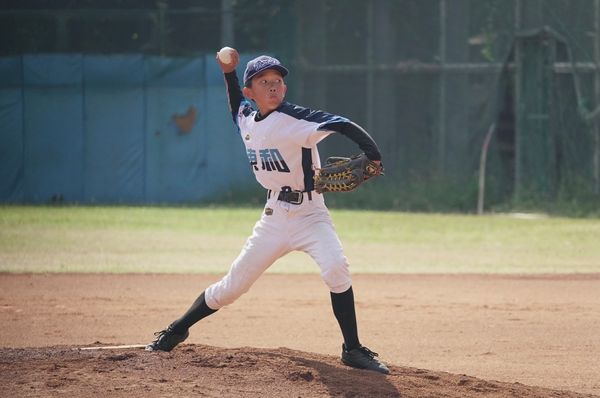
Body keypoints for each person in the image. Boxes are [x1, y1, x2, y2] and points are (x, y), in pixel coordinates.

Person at [146, 47, 389, 374]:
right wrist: (228, 72)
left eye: (277, 81)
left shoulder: (297, 119)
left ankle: (353, 348)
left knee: (336, 269)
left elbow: (343, 125)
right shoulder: (247, 118)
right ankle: (176, 330)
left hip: (311, 214)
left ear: (285, 88)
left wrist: (372, 156)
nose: (273, 87)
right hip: (274, 216)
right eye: (264, 82)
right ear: (251, 92)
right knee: (232, 287)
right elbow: (235, 104)